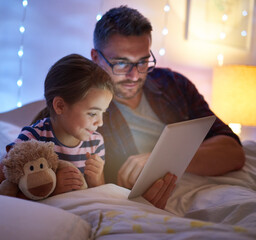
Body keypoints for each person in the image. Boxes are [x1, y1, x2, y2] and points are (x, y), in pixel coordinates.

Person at [90, 5, 245, 204]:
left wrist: (163, 160)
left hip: (204, 192)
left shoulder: (174, 84)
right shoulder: (81, 105)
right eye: (121, 63)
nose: (135, 75)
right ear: (96, 58)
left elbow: (233, 152)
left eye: (143, 62)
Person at [0, 54, 114, 195]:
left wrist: (96, 180)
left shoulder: (95, 142)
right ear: (60, 106)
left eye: (103, 112)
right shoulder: (32, 139)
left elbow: (100, 195)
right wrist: (52, 190)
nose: (100, 122)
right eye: (92, 114)